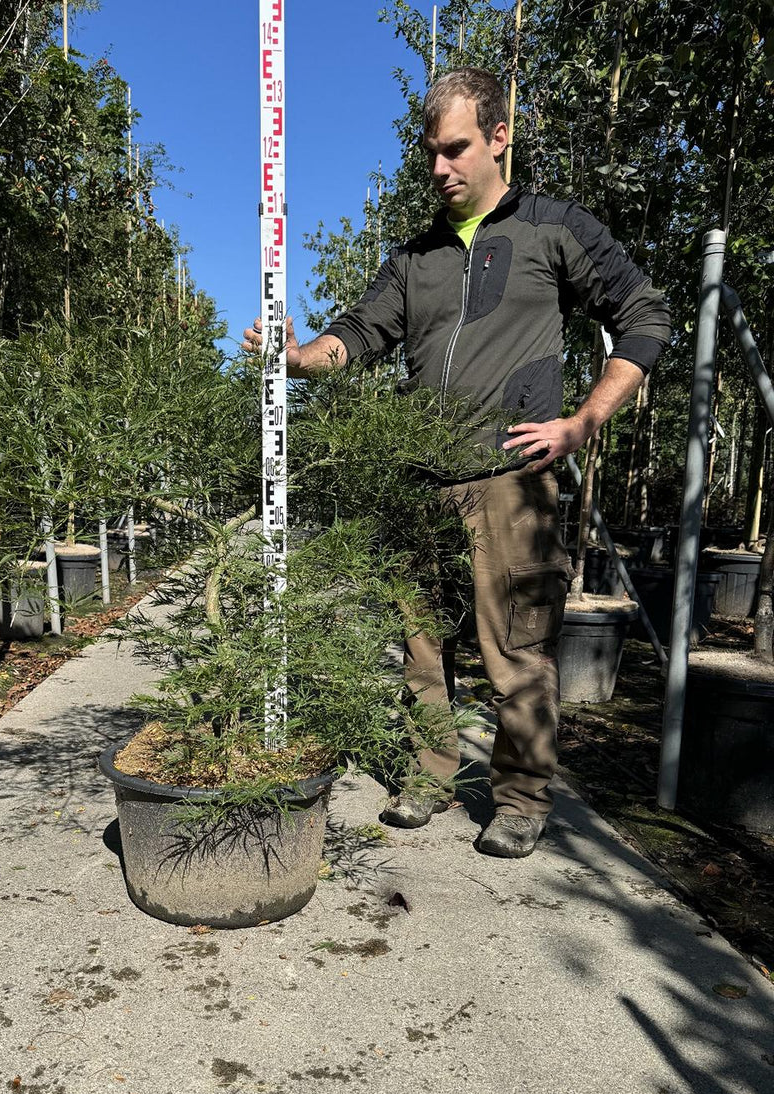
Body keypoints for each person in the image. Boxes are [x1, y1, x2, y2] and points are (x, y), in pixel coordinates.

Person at [243, 67, 670, 858]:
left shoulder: (552, 229)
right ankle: (430, 776)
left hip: (510, 481)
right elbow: (360, 336)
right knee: (421, 645)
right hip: (420, 484)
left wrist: (583, 421)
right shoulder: (416, 258)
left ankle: (519, 799)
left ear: (500, 136)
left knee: (516, 648)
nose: (438, 168)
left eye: (455, 149)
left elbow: (644, 315)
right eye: (430, 154)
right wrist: (299, 357)